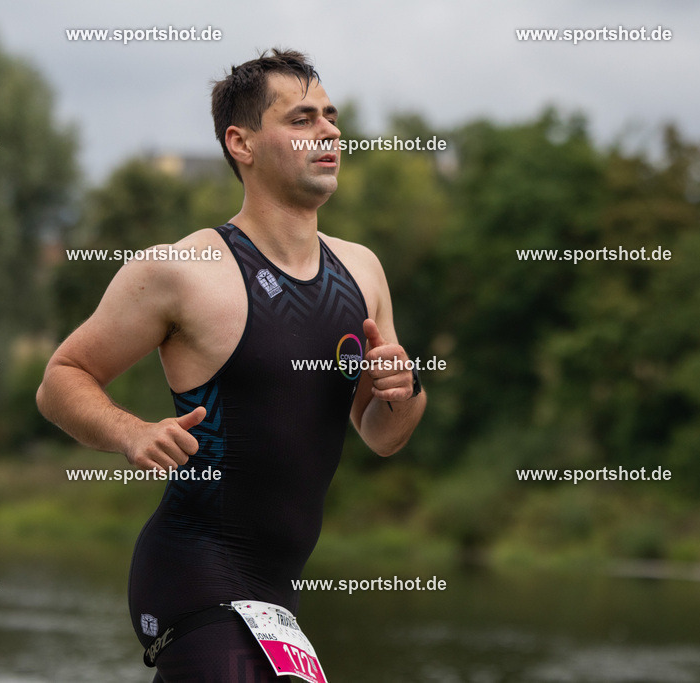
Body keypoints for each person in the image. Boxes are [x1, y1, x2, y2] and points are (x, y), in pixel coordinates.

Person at [36, 48, 426, 681]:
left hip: (278, 597)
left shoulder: (362, 271)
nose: (328, 131)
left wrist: (400, 394)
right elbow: (61, 378)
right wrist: (131, 431)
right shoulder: (183, 271)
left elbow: (383, 437)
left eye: (330, 116)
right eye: (301, 119)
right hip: (191, 571)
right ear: (241, 143)